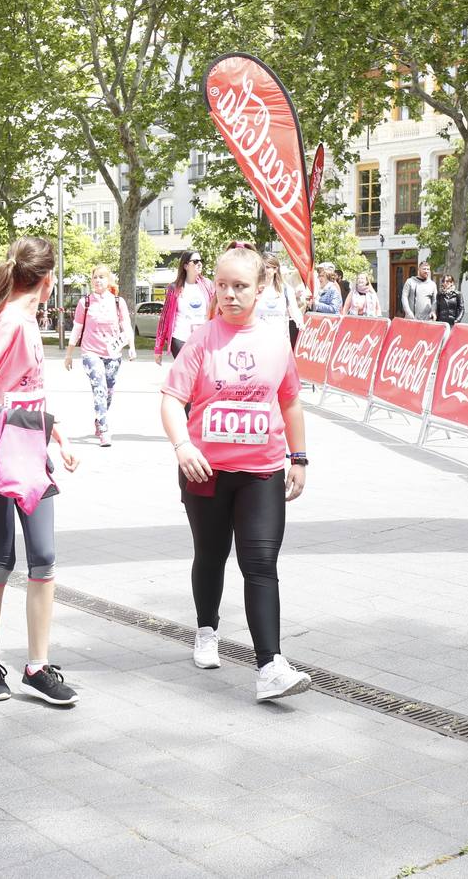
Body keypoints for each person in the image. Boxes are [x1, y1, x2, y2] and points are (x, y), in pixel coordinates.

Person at [160, 246, 312, 703]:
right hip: (204, 469)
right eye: (222, 285)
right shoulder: (202, 340)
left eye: (240, 286)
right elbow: (171, 399)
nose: (228, 294)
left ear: (260, 288)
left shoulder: (276, 340)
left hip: (261, 469)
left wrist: (299, 457)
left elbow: (290, 402)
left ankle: (270, 665)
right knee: (210, 555)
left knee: (260, 563)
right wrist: (182, 446)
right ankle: (207, 629)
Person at [0, 237, 81, 706]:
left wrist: (53, 431)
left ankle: (38, 666)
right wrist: (16, 422)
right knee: (1, 558)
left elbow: (27, 397)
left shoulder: (23, 321)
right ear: (48, 282)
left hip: (29, 453)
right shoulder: (9, 323)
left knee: (44, 558)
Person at [64, 264, 134, 446]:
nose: (97, 280)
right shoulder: (84, 302)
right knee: (100, 389)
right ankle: (104, 430)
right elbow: (77, 329)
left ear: (109, 280)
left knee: (109, 391)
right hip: (90, 352)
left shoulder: (118, 302)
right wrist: (69, 354)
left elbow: (126, 326)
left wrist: (132, 347)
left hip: (113, 353)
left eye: (102, 277)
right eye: (95, 277)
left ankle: (99, 418)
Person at [154, 250, 214, 363]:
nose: (200, 264)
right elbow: (164, 319)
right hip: (180, 339)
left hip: (203, 339)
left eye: (201, 261)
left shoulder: (208, 285)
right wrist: (158, 348)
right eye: (195, 261)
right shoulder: (174, 288)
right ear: (186, 265)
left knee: (202, 375)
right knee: (188, 375)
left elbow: (215, 310)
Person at [255, 254, 303, 343]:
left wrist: (300, 323)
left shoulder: (286, 289)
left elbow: (294, 310)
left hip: (279, 341)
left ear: (275, 269)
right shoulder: (254, 288)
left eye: (268, 267)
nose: (264, 270)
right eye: (262, 267)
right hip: (258, 341)